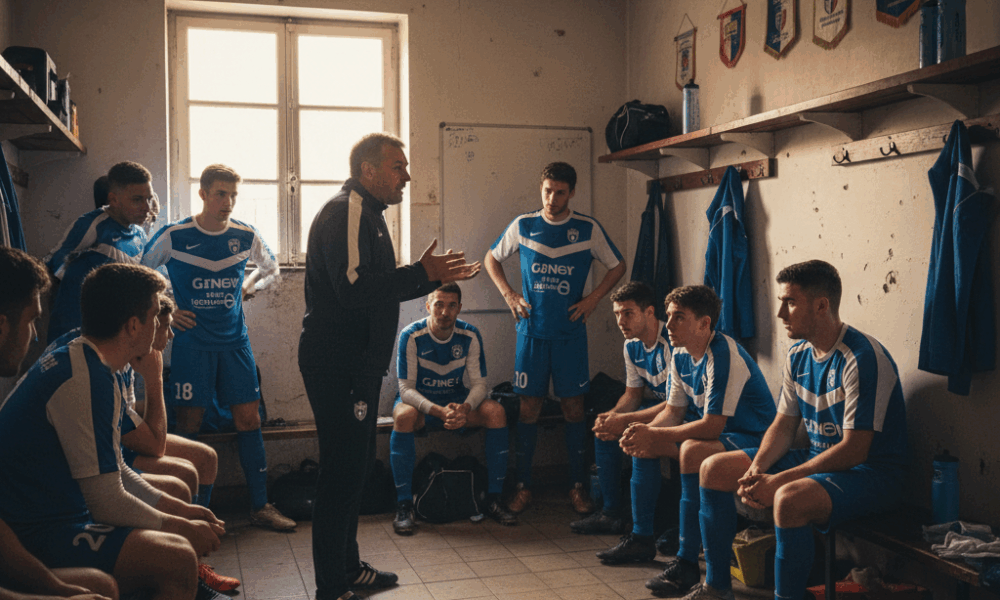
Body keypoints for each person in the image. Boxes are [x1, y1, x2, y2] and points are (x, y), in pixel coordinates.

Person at [299, 132, 480, 600]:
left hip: (357, 365)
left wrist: (422, 274)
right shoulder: (348, 211)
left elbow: (373, 287)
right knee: (340, 474)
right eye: (397, 166)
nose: (407, 175)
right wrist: (424, 275)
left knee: (355, 470)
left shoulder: (371, 216)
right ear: (368, 171)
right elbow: (352, 289)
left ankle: (349, 568)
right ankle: (331, 586)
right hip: (337, 364)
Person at [679, 261, 908, 600]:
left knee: (788, 499)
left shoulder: (861, 357)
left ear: (820, 305)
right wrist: (756, 472)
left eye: (790, 302)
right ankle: (716, 587)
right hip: (820, 458)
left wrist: (779, 481)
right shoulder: (799, 355)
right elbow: (784, 425)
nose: (780, 313)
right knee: (714, 467)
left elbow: (854, 450)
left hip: (872, 472)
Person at [0, 263, 225, 600]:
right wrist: (179, 526)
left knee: (175, 538)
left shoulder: (93, 362)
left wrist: (182, 513)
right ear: (134, 326)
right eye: (153, 318)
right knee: (176, 555)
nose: (160, 329)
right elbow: (106, 501)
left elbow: (116, 468)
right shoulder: (86, 377)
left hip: (54, 513)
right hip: (35, 529)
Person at [45, 296, 236, 594]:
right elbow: (152, 445)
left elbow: (131, 435)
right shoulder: (93, 370)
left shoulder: (108, 359)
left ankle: (192, 566)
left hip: (107, 460)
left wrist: (182, 518)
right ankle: (183, 568)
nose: (170, 335)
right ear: (137, 326)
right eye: (165, 326)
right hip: (61, 506)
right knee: (180, 484)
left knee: (204, 458)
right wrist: (155, 378)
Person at [142, 164, 293, 532]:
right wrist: (169, 309)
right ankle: (192, 513)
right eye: (221, 194)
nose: (228, 202)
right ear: (204, 194)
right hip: (193, 345)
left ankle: (260, 505)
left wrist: (250, 284)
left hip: (234, 343)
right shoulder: (175, 234)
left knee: (249, 419)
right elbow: (140, 272)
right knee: (189, 423)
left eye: (233, 195)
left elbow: (272, 269)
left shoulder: (245, 234)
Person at [485, 161, 626, 515]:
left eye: (559, 192)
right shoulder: (524, 225)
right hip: (531, 333)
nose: (551, 198)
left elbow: (618, 265)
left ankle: (577, 486)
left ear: (571, 192)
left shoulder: (587, 228)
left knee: (573, 408)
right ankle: (524, 486)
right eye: (547, 190)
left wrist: (594, 299)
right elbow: (491, 257)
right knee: (529, 409)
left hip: (570, 335)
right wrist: (509, 294)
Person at [616, 285, 775, 592]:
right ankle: (643, 538)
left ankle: (690, 562)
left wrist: (655, 433)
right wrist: (643, 432)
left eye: (679, 318)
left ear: (704, 324)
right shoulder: (680, 353)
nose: (670, 325)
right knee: (645, 447)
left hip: (756, 438)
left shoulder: (723, 352)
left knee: (692, 450)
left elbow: (712, 426)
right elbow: (673, 413)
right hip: (727, 436)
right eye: (670, 317)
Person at [0, 247, 115, 600]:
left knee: (97, 586)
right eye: (32, 319)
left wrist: (57, 589)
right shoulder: (80, 369)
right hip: (34, 523)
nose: (36, 336)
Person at [390, 282, 517, 535]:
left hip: (456, 403)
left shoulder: (469, 335)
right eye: (438, 305)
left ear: (459, 308)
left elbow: (480, 384)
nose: (444, 312)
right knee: (403, 416)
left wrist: (464, 407)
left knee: (496, 412)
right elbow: (406, 390)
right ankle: (404, 505)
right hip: (423, 405)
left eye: (451, 306)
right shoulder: (411, 335)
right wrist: (439, 411)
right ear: (428, 306)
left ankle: (494, 499)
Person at [570, 282, 672, 541]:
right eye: (617, 314)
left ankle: (642, 529)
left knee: (639, 439)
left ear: (649, 312)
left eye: (628, 313)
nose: (620, 321)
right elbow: (632, 395)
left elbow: (676, 404)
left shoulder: (672, 340)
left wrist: (625, 420)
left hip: (681, 411)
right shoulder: (631, 346)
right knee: (605, 430)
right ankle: (611, 512)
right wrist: (613, 416)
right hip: (658, 407)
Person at [46, 162, 157, 343]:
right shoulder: (92, 225)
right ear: (113, 200)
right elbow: (52, 265)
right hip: (75, 328)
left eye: (149, 199)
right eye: (137, 199)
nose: (146, 207)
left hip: (115, 326)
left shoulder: (140, 234)